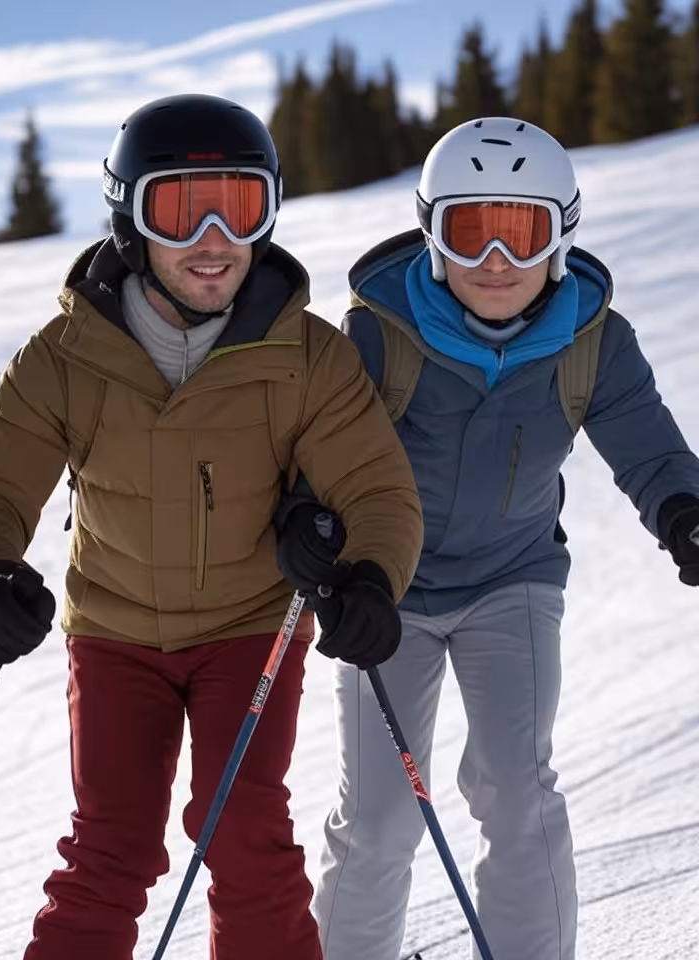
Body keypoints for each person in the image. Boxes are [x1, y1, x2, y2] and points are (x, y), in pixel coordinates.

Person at [0, 93, 423, 960]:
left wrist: (371, 576)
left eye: (242, 204)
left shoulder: (306, 355)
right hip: (113, 632)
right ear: (130, 219)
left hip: (247, 631)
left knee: (246, 832)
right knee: (111, 846)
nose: (215, 237)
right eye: (183, 209)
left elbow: (376, 486)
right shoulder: (66, 357)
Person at [277, 117, 699, 960]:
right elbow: (310, 451)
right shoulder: (374, 336)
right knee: (381, 817)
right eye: (472, 232)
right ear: (434, 234)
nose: (496, 260)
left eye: (521, 231)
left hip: (514, 581)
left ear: (561, 236)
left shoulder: (594, 343)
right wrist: (307, 524)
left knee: (518, 791)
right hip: (380, 589)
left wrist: (685, 513)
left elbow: (651, 449)